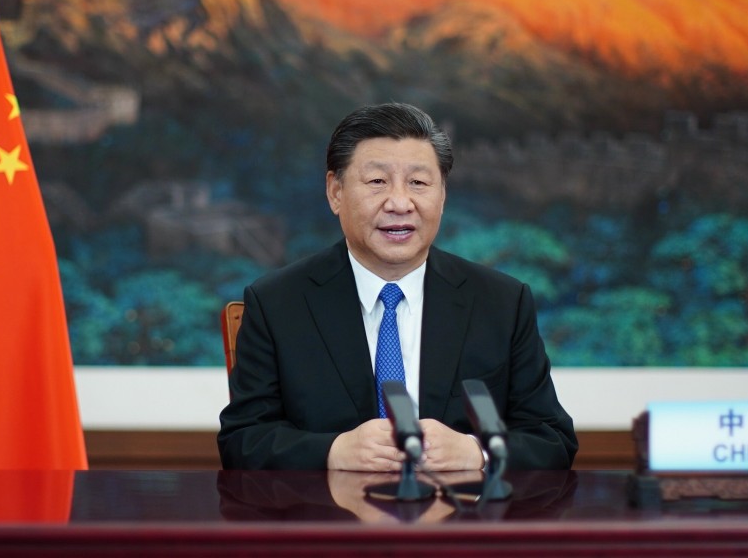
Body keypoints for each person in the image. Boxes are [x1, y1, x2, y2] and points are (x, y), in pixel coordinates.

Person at [218, 102, 577, 471]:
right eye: (377, 182)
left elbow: (552, 439)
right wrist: (333, 451)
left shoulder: (502, 303)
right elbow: (243, 440)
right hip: (328, 520)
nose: (400, 203)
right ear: (335, 192)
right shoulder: (277, 304)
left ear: (443, 195)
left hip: (458, 520)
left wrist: (476, 452)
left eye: (419, 183)